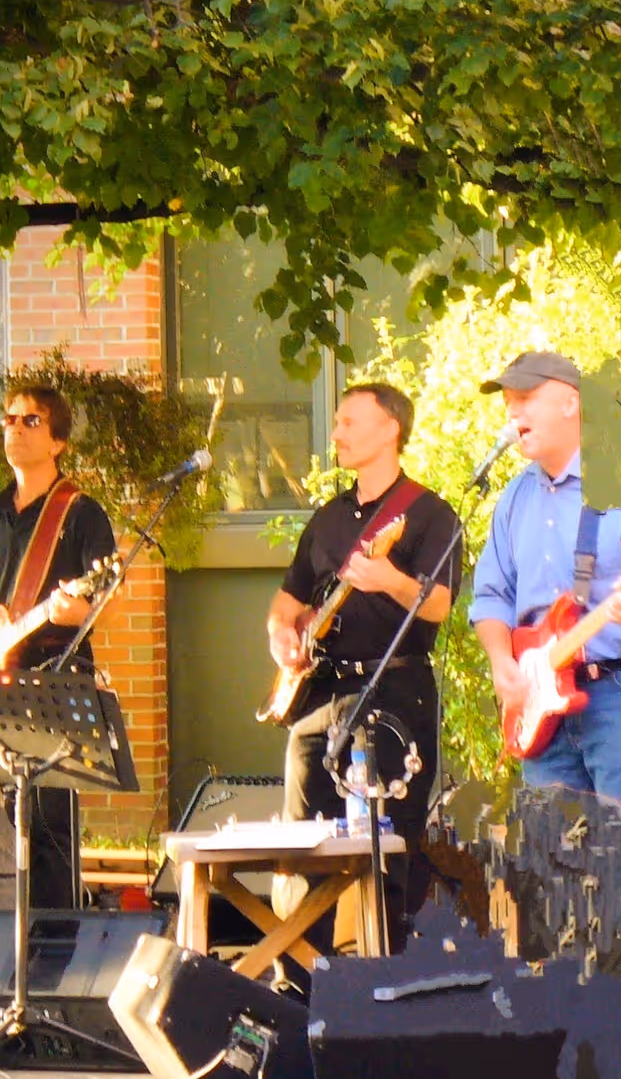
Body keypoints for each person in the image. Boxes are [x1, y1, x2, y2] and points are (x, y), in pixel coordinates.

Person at [469, 351, 621, 855]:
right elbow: (491, 595)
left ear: (570, 403)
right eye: (508, 403)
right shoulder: (514, 498)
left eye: (525, 399)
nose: (513, 414)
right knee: (553, 875)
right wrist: (502, 666)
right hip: (543, 711)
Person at [266, 382, 460, 953]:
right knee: (304, 847)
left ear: (390, 429)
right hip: (320, 694)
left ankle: (392, 989)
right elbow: (289, 600)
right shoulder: (327, 519)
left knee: (392, 849)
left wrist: (388, 580)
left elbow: (442, 604)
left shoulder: (428, 515)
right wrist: (281, 634)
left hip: (395, 689)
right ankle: (299, 987)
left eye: (350, 421)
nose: (337, 433)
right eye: (337, 422)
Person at [0, 385, 119, 672]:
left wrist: (83, 614)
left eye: (31, 421)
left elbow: (112, 605)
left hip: (60, 675)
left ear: (57, 444)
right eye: (10, 419)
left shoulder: (82, 514)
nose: (17, 428)